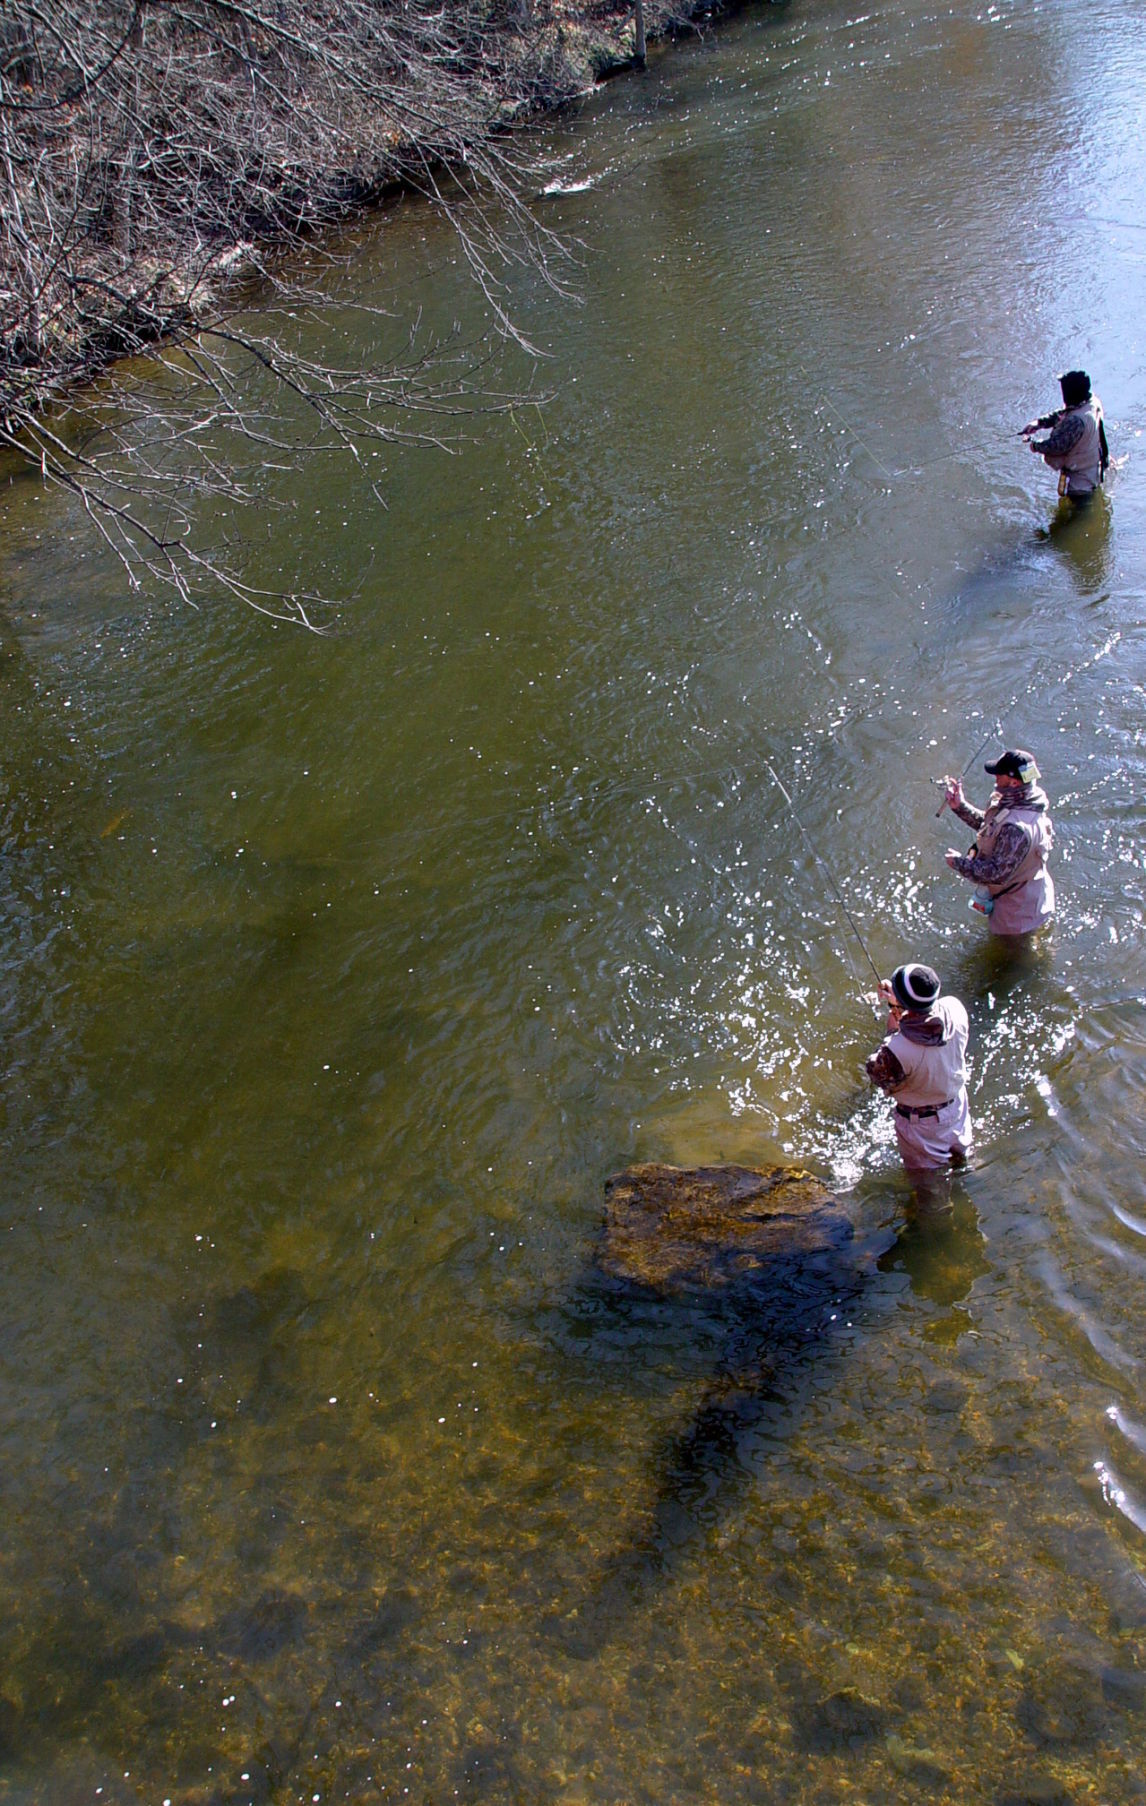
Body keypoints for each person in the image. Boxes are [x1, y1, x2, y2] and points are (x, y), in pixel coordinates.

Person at [866, 964, 972, 1172]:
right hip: (957, 1107)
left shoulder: (896, 1050)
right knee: (964, 1163)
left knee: (929, 1191)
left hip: (922, 1127)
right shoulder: (955, 1008)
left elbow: (879, 1075)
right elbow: (926, 1021)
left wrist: (892, 1028)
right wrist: (902, 1006)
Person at [943, 748, 1055, 936]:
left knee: (1010, 956)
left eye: (999, 775)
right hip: (1032, 894)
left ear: (1013, 782)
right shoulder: (1028, 801)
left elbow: (995, 874)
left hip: (1018, 915)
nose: (995, 778)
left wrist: (958, 863)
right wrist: (960, 807)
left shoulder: (1017, 830)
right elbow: (994, 829)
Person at [1023, 370, 1108, 503]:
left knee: (1078, 516)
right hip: (1094, 470)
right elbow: (1065, 413)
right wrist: (1039, 423)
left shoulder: (1076, 421)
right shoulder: (1091, 403)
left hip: (1080, 485)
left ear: (1070, 393)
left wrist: (1035, 445)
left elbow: (1056, 446)